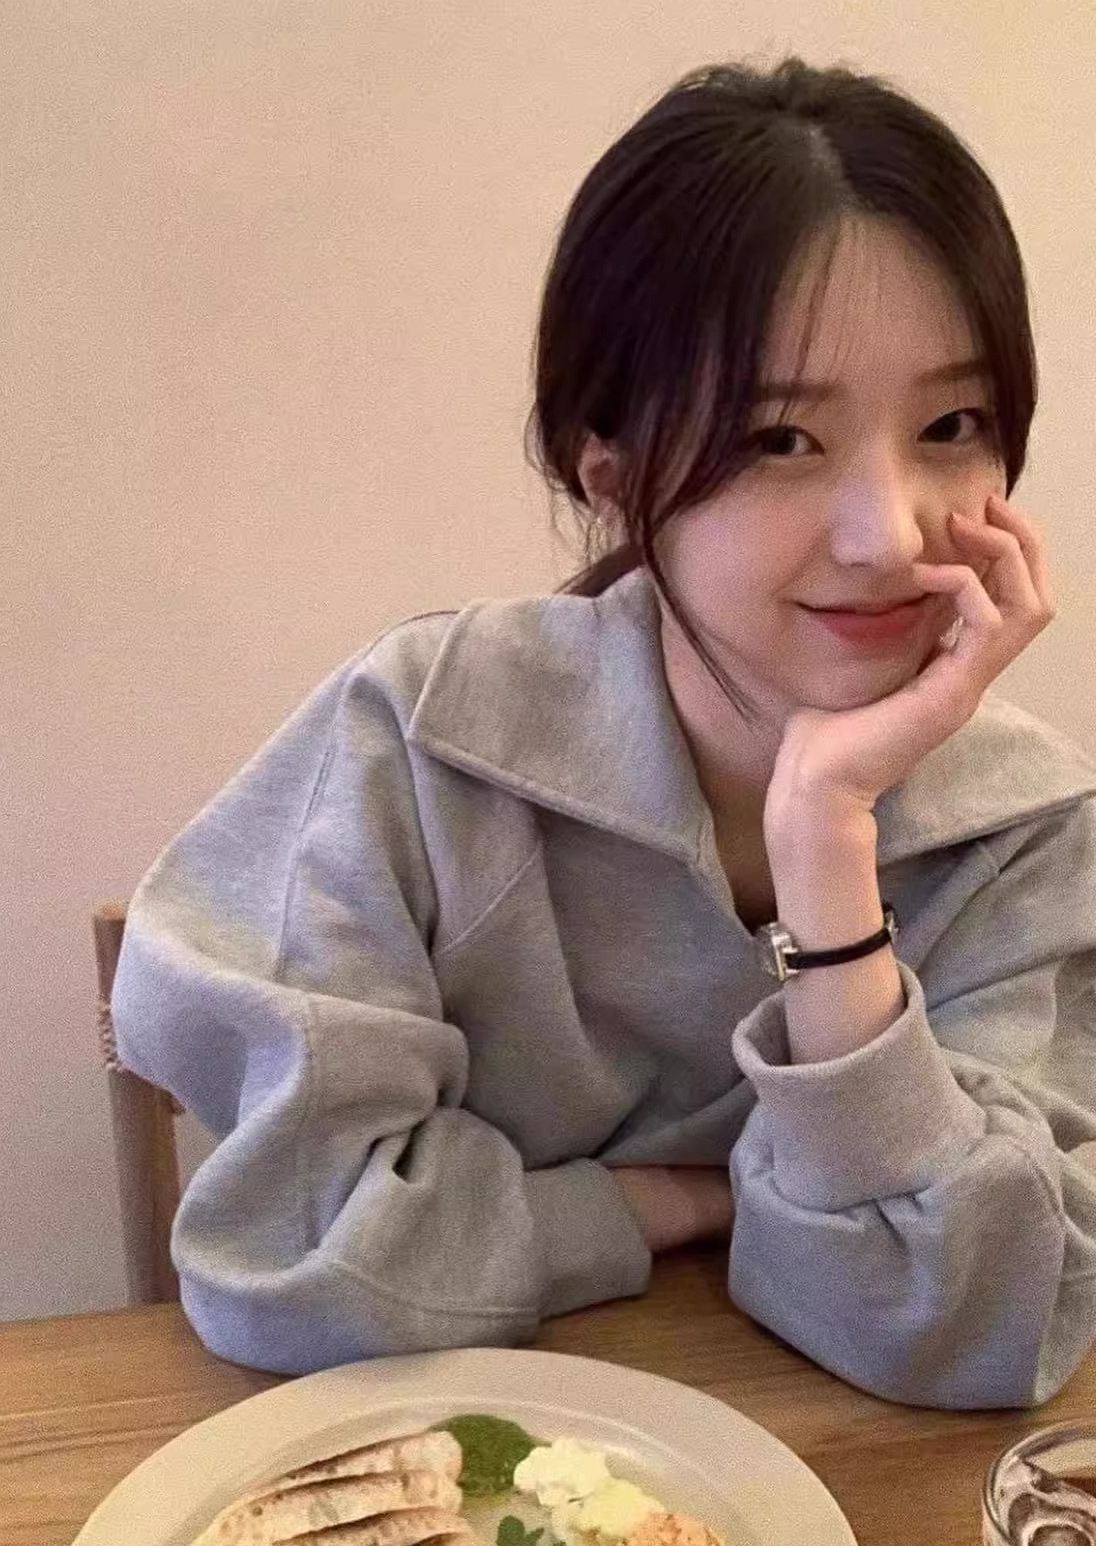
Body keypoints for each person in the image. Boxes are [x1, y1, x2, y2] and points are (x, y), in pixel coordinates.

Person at [111, 56, 1096, 1409]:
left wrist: (828, 856)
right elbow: (289, 1259)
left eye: (951, 425)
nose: (889, 534)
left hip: (841, 1478)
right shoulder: (424, 741)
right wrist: (668, 1204)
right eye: (780, 438)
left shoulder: (1028, 827)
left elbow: (980, 1318)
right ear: (614, 474)